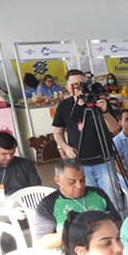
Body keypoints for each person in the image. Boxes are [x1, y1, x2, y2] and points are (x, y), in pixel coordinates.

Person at [52, 69, 122, 203]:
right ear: (67, 87)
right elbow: (58, 132)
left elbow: (114, 129)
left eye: (82, 84)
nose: (79, 88)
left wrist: (105, 111)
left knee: (111, 199)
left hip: (104, 159)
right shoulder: (64, 106)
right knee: (89, 200)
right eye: (75, 85)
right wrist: (66, 147)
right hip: (80, 162)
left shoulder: (99, 101)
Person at [32, 159, 120, 249]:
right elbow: (41, 243)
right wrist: (72, 231)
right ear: (57, 180)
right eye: (72, 182)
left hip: (105, 249)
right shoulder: (48, 204)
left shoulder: (98, 193)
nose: (79, 186)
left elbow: (118, 222)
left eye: (82, 180)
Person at [0, 131, 41, 199]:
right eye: (4, 154)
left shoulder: (25, 165)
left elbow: (36, 188)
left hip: (25, 203)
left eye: (12, 153)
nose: (9, 158)